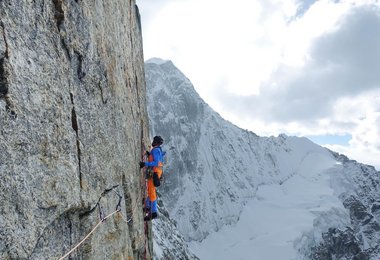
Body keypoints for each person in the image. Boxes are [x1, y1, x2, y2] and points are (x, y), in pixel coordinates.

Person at [139, 136, 165, 221]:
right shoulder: (158, 150)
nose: (152, 142)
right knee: (151, 190)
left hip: (155, 173)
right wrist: (149, 155)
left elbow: (156, 162)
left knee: (151, 191)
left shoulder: (156, 150)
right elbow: (156, 159)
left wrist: (145, 164)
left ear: (156, 142)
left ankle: (153, 212)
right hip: (156, 173)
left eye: (154, 141)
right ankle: (148, 206)